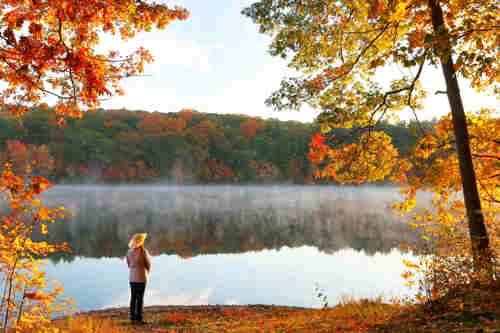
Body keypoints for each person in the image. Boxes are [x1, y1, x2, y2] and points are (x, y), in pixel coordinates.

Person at [126, 233, 152, 324]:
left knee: (133, 297)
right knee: (140, 298)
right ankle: (139, 318)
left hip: (132, 278)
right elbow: (148, 264)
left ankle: (132, 318)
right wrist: (148, 271)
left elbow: (128, 264)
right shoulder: (143, 251)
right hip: (141, 277)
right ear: (141, 242)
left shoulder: (129, 251)